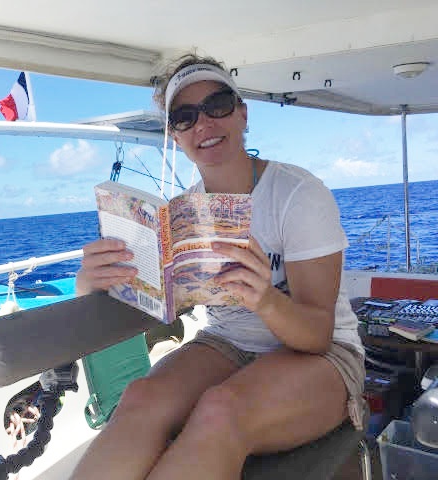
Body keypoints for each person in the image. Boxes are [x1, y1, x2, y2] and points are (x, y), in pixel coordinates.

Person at [70, 53, 365, 480]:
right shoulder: (181, 216)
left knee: (220, 409)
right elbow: (152, 305)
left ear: (242, 114)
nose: (204, 123)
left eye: (218, 105)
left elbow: (318, 335)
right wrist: (91, 284)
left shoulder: (297, 194)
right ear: (175, 135)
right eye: (185, 116)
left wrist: (265, 300)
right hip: (226, 343)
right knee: (140, 399)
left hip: (322, 355)